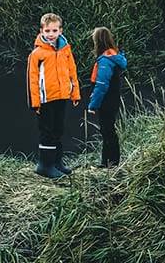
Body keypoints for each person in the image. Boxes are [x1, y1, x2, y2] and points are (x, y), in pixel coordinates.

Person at [26, 12, 80, 178]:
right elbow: (32, 79)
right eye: (47, 31)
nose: (51, 34)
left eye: (54, 30)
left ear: (61, 31)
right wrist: (35, 103)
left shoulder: (65, 50)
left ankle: (57, 162)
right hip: (46, 99)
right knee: (47, 131)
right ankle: (44, 165)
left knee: (58, 129)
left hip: (62, 96)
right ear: (41, 31)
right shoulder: (37, 54)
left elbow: (72, 71)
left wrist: (75, 93)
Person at [86, 26, 128, 167]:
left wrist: (93, 104)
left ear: (98, 41)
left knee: (107, 130)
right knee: (108, 130)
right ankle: (109, 162)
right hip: (113, 98)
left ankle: (110, 163)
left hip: (106, 100)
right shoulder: (114, 55)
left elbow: (101, 85)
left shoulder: (105, 60)